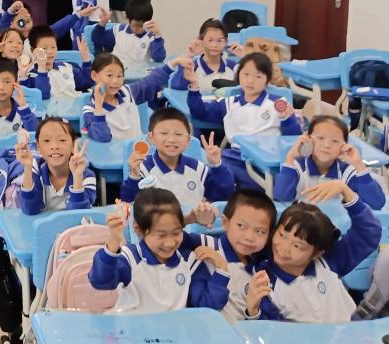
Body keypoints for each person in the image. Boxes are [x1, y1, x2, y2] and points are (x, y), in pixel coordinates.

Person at [249, 180, 380, 322]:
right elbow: (273, 330)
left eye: (297, 246)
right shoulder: (264, 281)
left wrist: (346, 191)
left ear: (317, 253)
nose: (284, 248)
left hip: (351, 332)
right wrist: (254, 311)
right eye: (282, 235)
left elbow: (369, 234)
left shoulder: (328, 262)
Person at [88, 189, 231, 313]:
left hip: (172, 334)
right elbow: (101, 282)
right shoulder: (130, 258)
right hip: (132, 332)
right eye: (160, 235)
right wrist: (114, 240)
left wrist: (222, 268)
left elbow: (207, 306)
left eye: (176, 233)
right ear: (139, 229)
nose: (170, 243)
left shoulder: (190, 261)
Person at [184, 52, 303, 190]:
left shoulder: (277, 103)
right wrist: (194, 85)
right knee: (211, 176)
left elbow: (294, 137)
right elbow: (200, 112)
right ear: (238, 75)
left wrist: (287, 119)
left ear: (267, 80)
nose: (250, 81)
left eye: (258, 76)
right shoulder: (229, 103)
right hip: (236, 157)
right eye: (246, 74)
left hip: (267, 161)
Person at [120, 108, 234, 222]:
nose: (171, 139)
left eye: (178, 134)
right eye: (164, 133)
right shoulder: (143, 168)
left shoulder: (198, 168)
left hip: (192, 227)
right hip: (158, 228)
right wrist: (134, 175)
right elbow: (129, 203)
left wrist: (217, 166)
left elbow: (224, 195)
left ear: (188, 140)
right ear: (151, 137)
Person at [199, 190, 278, 323]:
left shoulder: (261, 270)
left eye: (260, 231)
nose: (249, 237)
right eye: (241, 226)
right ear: (225, 222)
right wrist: (189, 219)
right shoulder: (206, 247)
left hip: (244, 334)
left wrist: (253, 311)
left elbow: (264, 323)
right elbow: (205, 310)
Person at [273, 115, 385, 208]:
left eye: (335, 141)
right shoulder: (297, 165)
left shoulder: (346, 171)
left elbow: (377, 203)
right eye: (320, 138)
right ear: (308, 139)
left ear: (344, 146)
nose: (327, 145)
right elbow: (281, 196)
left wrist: (359, 166)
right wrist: (290, 157)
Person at [82, 54, 178, 143]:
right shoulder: (90, 110)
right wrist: (99, 108)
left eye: (119, 76)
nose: (115, 81)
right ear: (94, 75)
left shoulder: (127, 92)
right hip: (115, 155)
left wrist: (174, 63)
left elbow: (150, 82)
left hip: (139, 151)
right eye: (109, 75)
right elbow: (102, 138)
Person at [14, 118, 96, 214]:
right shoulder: (36, 169)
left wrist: (77, 177)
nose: (54, 146)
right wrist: (27, 168)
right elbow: (30, 209)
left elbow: (79, 215)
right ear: (38, 147)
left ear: (73, 144)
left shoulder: (86, 176)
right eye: (47, 140)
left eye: (62, 140)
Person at [91, 0, 166, 68]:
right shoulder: (119, 30)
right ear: (127, 18)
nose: (139, 29)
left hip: (139, 73)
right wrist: (102, 22)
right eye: (135, 25)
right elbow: (97, 39)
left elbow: (159, 58)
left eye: (142, 26)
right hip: (116, 71)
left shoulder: (151, 36)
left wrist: (157, 36)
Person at [170, 19, 239, 93]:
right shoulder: (193, 66)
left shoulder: (233, 66)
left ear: (225, 42)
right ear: (201, 41)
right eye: (210, 40)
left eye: (219, 41)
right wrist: (187, 57)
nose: (214, 45)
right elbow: (177, 86)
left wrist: (245, 55)